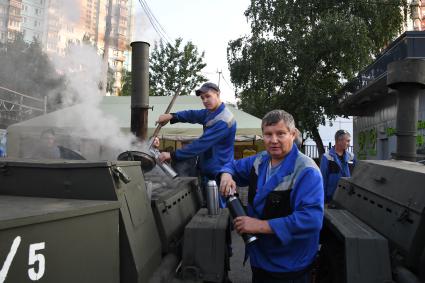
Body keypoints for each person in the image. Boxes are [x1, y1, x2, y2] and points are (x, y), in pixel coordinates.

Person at [219, 110, 324, 283]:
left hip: (289, 264)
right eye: (268, 134)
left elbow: (311, 219)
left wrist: (259, 225)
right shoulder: (260, 160)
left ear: (293, 134)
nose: (273, 140)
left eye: (280, 133)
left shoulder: (306, 171)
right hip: (260, 257)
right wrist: (227, 175)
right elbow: (231, 165)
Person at [156, 82, 237, 207]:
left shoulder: (224, 120)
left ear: (218, 94)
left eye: (208, 96)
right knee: (209, 206)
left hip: (219, 173)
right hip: (208, 170)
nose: (205, 100)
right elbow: (193, 114)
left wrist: (172, 155)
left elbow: (200, 144)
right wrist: (172, 116)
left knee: (220, 212)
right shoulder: (211, 112)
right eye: (202, 98)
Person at [320, 129, 356, 203]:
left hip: (348, 195)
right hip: (332, 197)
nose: (349, 144)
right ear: (339, 141)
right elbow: (323, 179)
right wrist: (323, 200)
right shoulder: (327, 157)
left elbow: (356, 175)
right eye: (348, 141)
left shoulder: (351, 156)